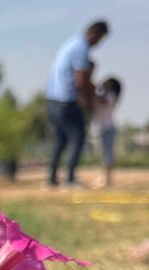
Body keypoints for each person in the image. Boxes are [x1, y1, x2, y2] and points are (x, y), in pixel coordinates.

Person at [45, 20, 109, 187]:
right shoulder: (81, 48)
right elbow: (80, 80)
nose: (98, 43)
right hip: (66, 100)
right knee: (77, 136)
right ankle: (70, 179)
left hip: (52, 99)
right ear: (94, 33)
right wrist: (87, 101)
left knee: (60, 139)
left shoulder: (71, 43)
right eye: (100, 38)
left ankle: (51, 179)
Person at [92, 77, 122, 187]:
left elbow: (100, 100)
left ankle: (107, 179)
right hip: (103, 129)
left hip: (107, 128)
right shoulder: (106, 97)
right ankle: (106, 178)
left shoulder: (110, 97)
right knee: (105, 154)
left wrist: (93, 88)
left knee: (107, 154)